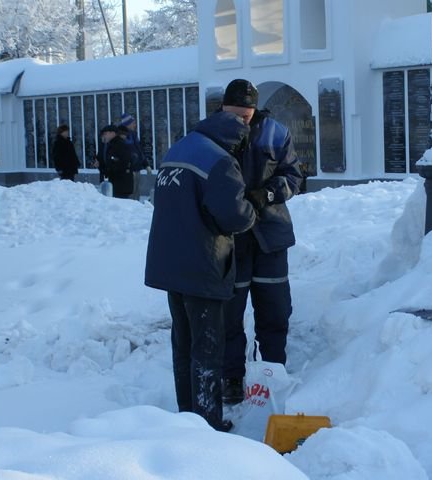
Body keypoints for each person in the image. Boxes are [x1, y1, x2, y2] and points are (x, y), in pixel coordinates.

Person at [144, 111, 257, 432]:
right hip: (202, 265)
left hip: (170, 263)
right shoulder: (219, 161)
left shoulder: (177, 151)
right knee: (207, 349)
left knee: (183, 344)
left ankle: (187, 416)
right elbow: (235, 217)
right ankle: (207, 426)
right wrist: (252, 206)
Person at [220, 79, 303, 405]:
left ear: (255, 109)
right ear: (223, 107)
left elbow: (294, 176)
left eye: (246, 114)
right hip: (229, 239)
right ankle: (232, 377)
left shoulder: (275, 133)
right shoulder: (208, 134)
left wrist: (267, 193)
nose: (241, 120)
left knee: (275, 310)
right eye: (234, 114)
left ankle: (273, 373)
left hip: (270, 234)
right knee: (229, 313)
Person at [95, 124, 134, 199]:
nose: (104, 136)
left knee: (120, 207)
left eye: (105, 134)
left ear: (112, 133)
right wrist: (100, 165)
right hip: (114, 184)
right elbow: (107, 162)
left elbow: (122, 164)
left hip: (121, 185)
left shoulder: (120, 145)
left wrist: (108, 171)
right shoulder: (109, 145)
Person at [119, 112, 150, 200]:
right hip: (129, 170)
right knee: (130, 193)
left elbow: (139, 151)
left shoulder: (134, 135)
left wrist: (146, 164)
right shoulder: (122, 136)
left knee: (137, 193)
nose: (135, 125)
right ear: (127, 124)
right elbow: (126, 153)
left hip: (137, 168)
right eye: (133, 123)